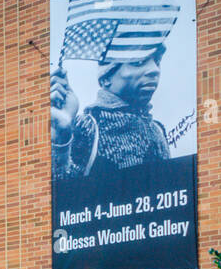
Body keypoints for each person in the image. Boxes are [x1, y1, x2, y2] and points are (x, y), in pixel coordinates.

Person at [51, 45, 170, 180]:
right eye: (138, 62)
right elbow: (66, 190)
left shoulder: (158, 129)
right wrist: (61, 140)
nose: (155, 70)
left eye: (157, 62)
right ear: (106, 78)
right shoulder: (89, 125)